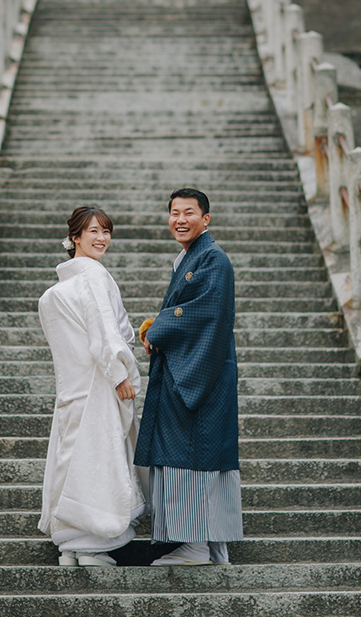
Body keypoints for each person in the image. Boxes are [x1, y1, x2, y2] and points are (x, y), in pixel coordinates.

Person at [134, 188, 242, 566]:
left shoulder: (212, 259)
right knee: (191, 454)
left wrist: (157, 329)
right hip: (194, 371)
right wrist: (157, 326)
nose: (180, 219)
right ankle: (203, 545)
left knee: (193, 454)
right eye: (174, 213)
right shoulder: (191, 257)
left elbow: (202, 313)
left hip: (200, 377)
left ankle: (196, 546)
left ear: (206, 219)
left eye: (189, 213)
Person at [37, 205, 148, 567]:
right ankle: (91, 545)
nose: (101, 238)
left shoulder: (60, 288)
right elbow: (105, 329)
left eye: (106, 231)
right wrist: (120, 373)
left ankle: (70, 545)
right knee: (99, 460)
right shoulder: (94, 276)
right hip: (98, 386)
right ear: (75, 238)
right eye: (93, 231)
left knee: (73, 460)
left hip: (71, 391)